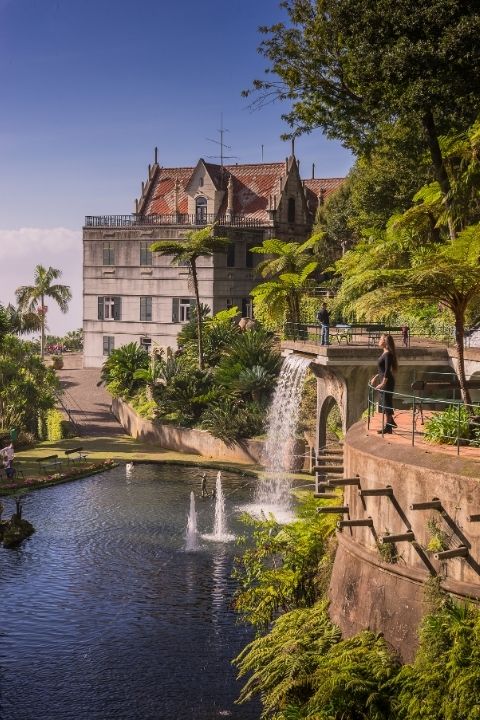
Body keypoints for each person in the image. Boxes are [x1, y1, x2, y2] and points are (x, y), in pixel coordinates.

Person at [370, 334, 398, 434]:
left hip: (387, 382)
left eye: (381, 339)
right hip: (384, 380)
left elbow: (387, 371)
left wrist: (383, 383)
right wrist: (376, 377)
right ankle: (391, 422)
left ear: (385, 342)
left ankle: (388, 427)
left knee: (387, 402)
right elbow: (381, 370)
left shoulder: (388, 354)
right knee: (384, 401)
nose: (379, 340)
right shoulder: (385, 353)